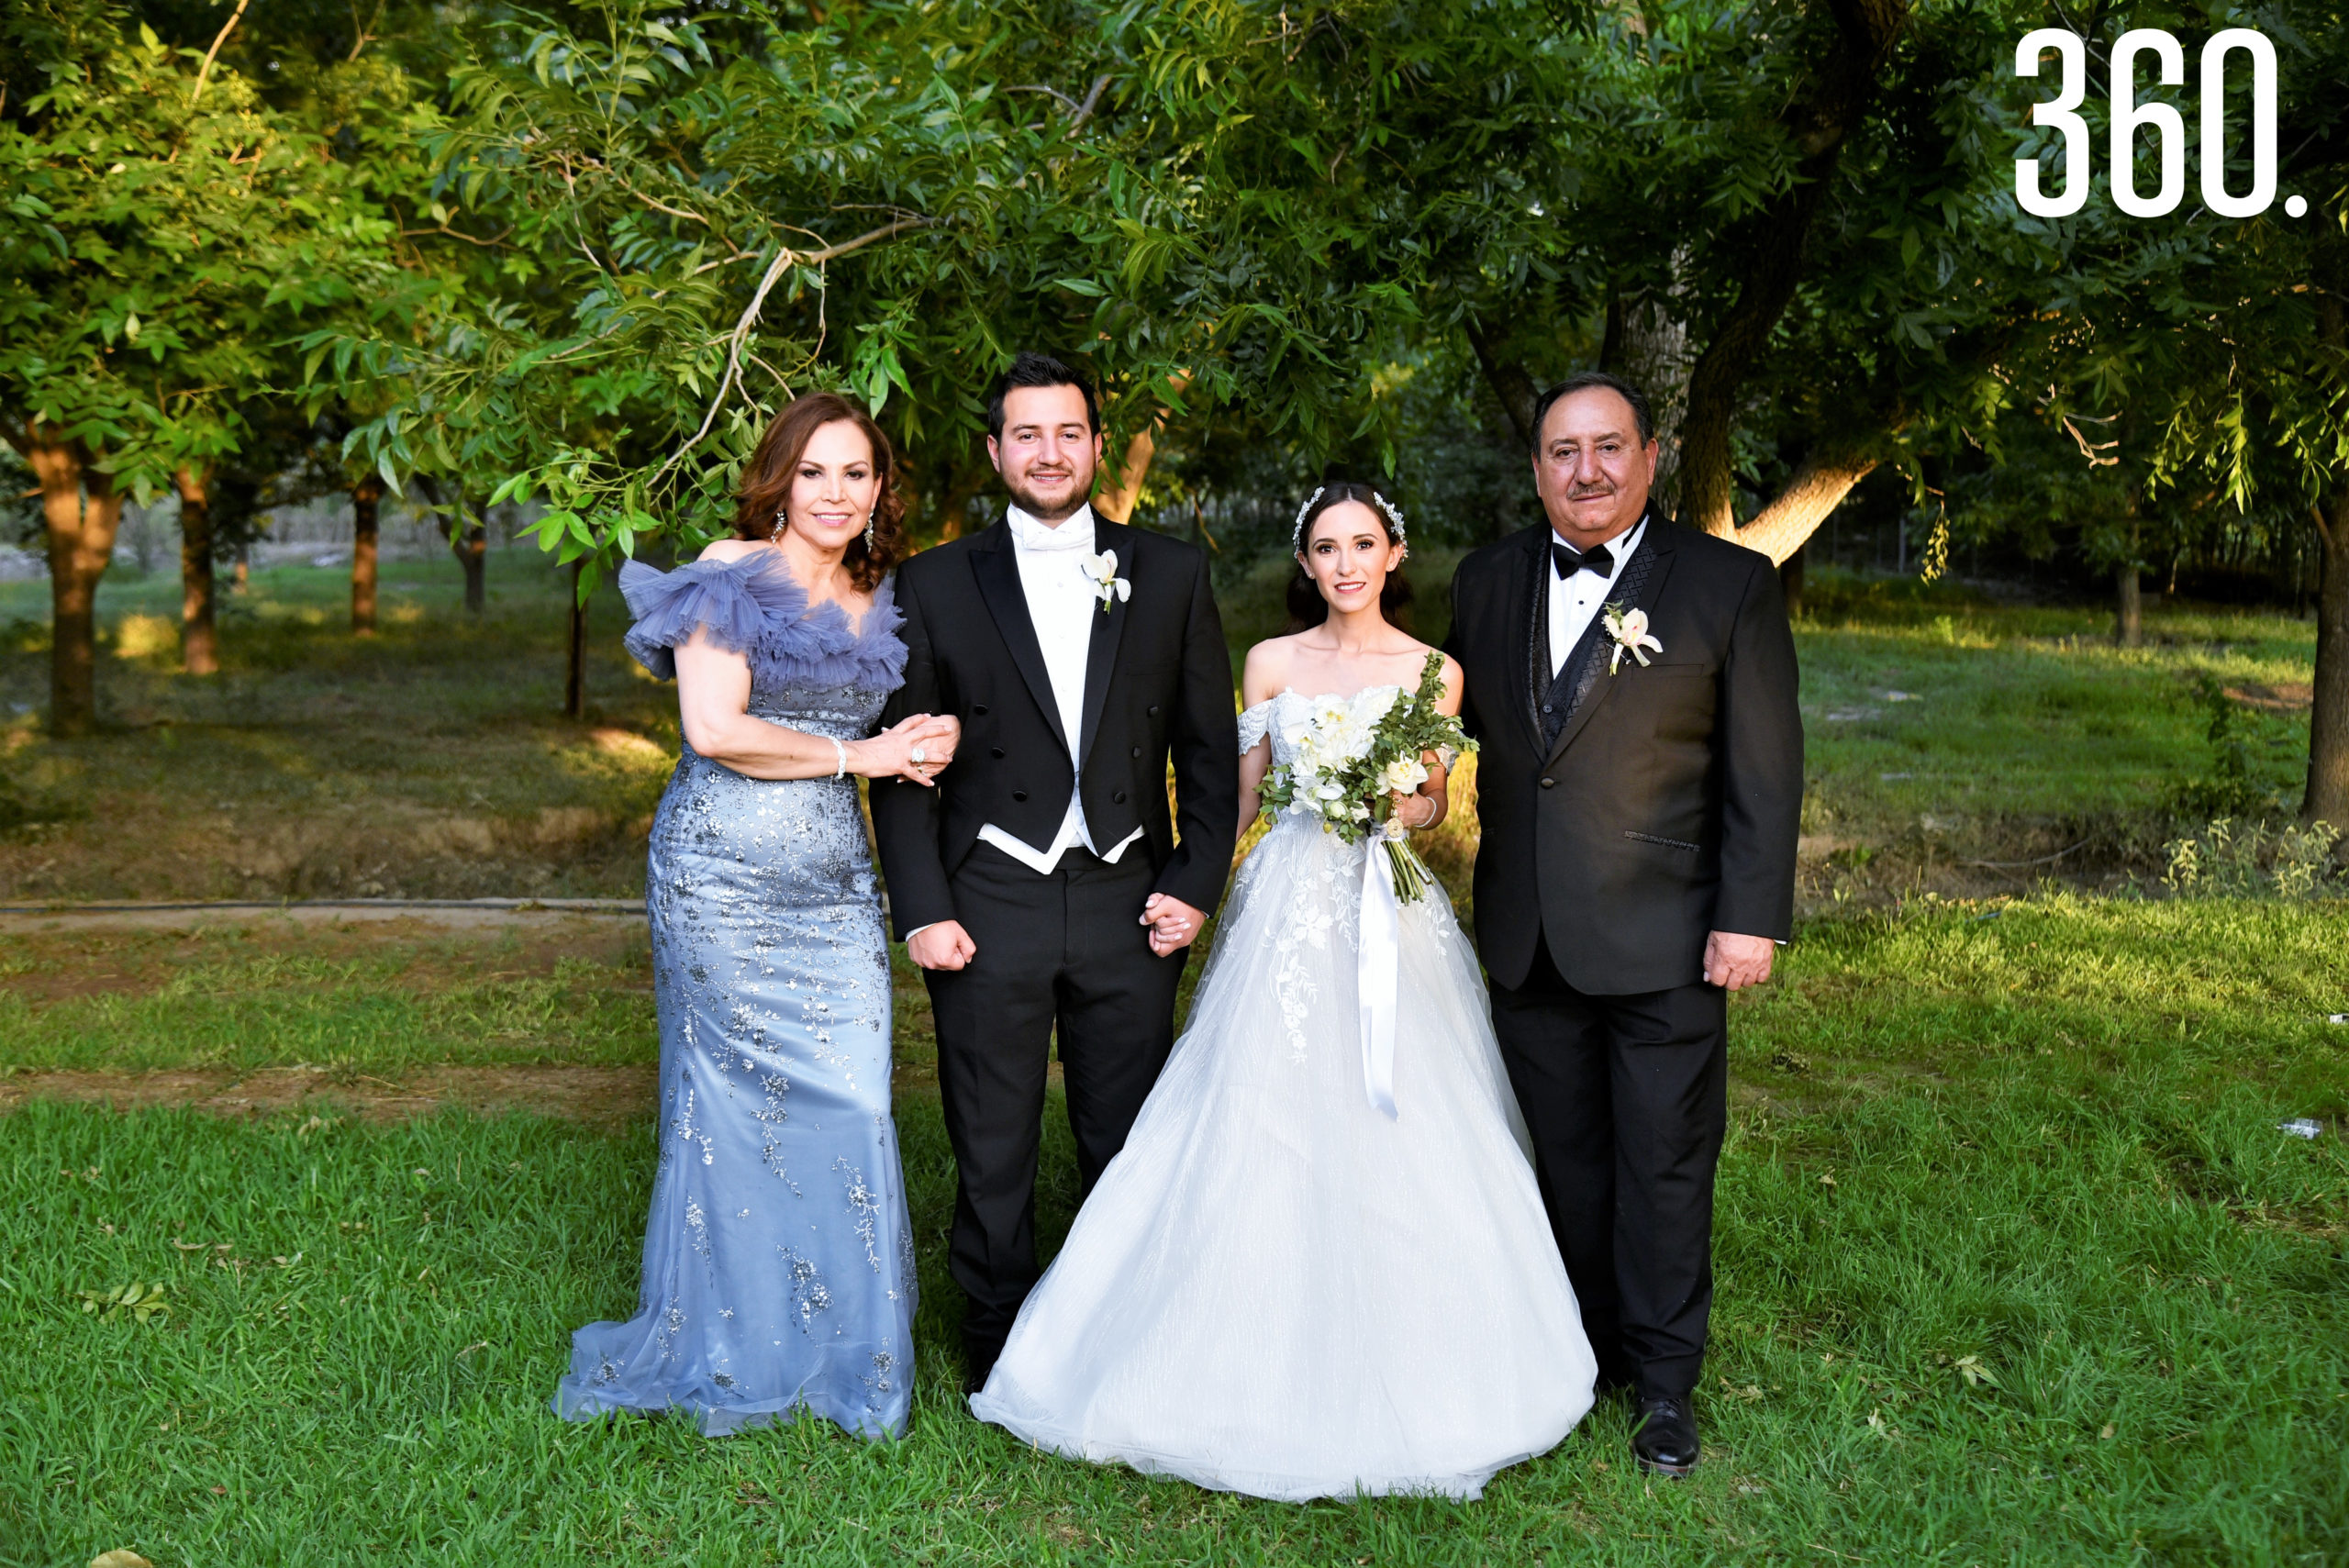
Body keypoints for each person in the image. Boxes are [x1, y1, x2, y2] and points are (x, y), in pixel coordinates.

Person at [967, 484, 1597, 1502]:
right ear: (1305, 564)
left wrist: (1403, 797)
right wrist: (1195, 891)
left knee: (1410, 1109)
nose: (1344, 562)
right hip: (1287, 902)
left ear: (1394, 552)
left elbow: (1435, 800)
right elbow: (1242, 793)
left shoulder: (1435, 671)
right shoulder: (1271, 662)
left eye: (1361, 543)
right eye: (1323, 547)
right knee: (1249, 1102)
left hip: (1387, 903)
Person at [553, 393, 958, 1439]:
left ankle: (843, 1353)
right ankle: (736, 1349)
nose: (835, 493)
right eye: (814, 471)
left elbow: (907, 718)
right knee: (734, 1106)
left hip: (831, 886)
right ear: (778, 478)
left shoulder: (885, 596)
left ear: (879, 490)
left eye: (856, 474)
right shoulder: (728, 575)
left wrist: (924, 734)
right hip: (719, 875)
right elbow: (714, 726)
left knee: (857, 1102)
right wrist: (859, 755)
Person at [1443, 372, 1803, 1476]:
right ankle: (1573, 1354)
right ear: (1537, 467)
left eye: (1608, 447)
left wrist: (1749, 919)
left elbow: (1764, 767)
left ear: (1650, 456)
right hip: (1525, 929)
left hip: (1667, 934)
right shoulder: (1487, 578)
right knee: (1560, 1158)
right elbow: (1471, 743)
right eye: (1562, 451)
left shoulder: (1728, 584)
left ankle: (1662, 1383)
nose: (1586, 470)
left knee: (1663, 1162)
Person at [868, 352, 1238, 1394]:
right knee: (991, 1137)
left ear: (1095, 445)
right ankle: (996, 1343)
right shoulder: (935, 581)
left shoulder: (1169, 573)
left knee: (1126, 1134)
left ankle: (1122, 1331)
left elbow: (1210, 754)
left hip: (1131, 897)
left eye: (1066, 432)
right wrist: (923, 909)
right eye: (1024, 434)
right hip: (989, 897)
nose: (1047, 451)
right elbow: (903, 765)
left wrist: (1196, 879)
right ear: (994, 451)